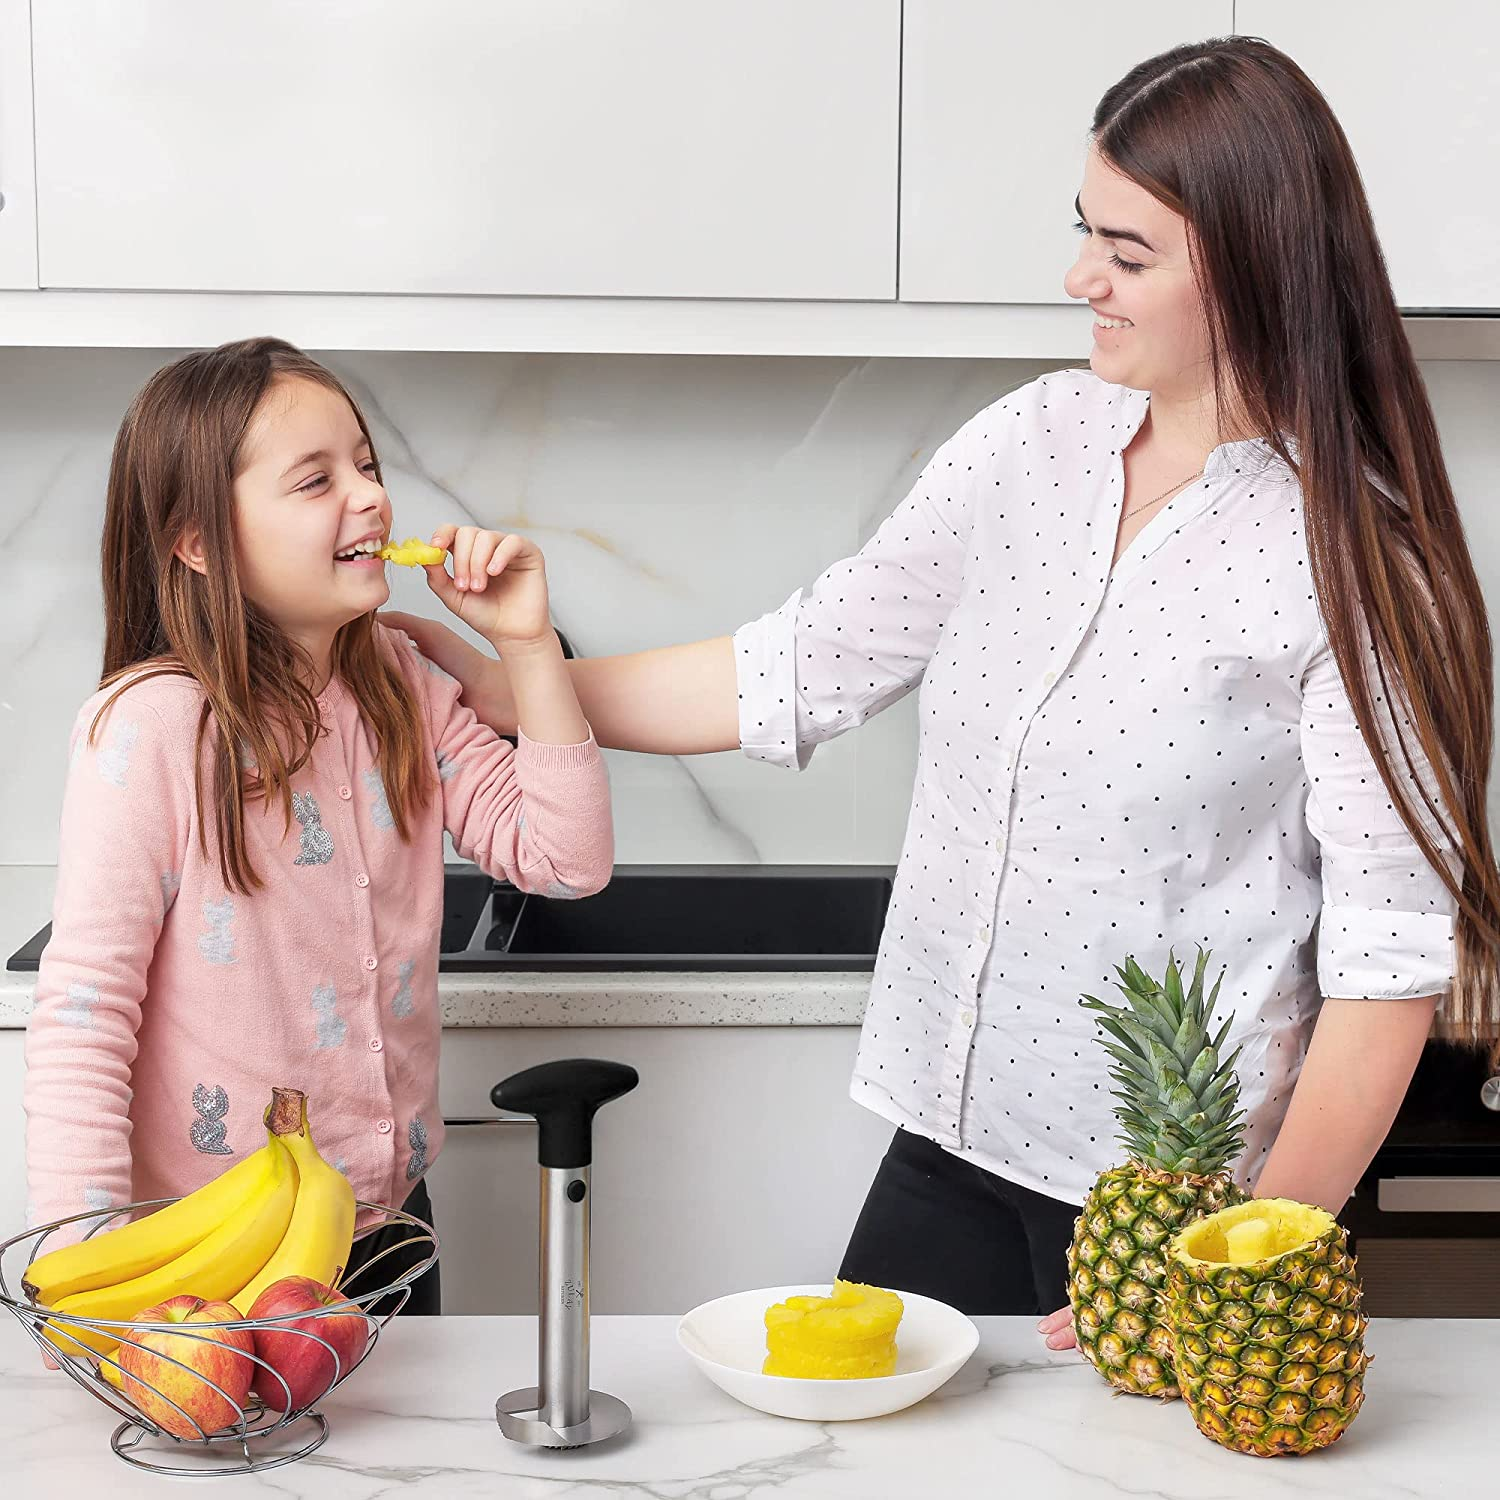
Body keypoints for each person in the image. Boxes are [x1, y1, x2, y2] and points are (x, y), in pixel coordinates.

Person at [385, 35, 1500, 1337]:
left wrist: (1242, 1262)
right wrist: (508, 680)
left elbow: (1386, 971)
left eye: (1127, 253)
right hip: (956, 1135)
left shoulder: (1360, 571)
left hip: (1181, 1200)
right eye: (1086, 231)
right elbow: (792, 671)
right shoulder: (1028, 446)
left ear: (1252, 267)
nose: (1079, 276)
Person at [25, 337, 614, 1317]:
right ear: (199, 542)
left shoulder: (405, 687)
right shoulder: (155, 728)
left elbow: (564, 861)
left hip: (390, 1232)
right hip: (214, 1257)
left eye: (367, 465)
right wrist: (92, 1282)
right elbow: (85, 1014)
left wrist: (525, 650)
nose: (372, 497)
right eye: (315, 480)